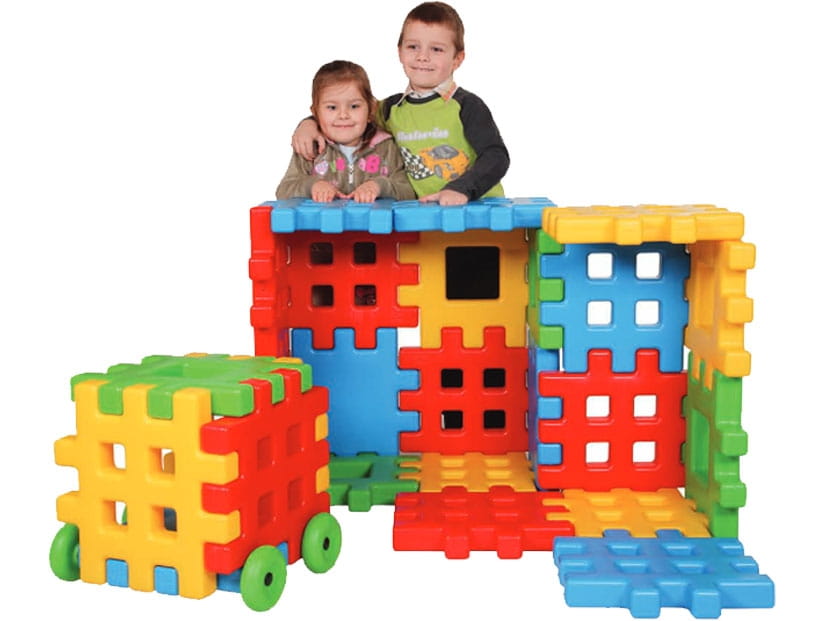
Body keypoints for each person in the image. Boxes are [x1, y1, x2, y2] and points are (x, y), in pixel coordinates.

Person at [291, 2, 509, 206]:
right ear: (400, 52)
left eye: (436, 49)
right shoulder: (389, 109)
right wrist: (309, 124)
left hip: (477, 208)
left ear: (457, 59)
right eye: (413, 46)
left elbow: (496, 156)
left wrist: (461, 189)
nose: (422, 56)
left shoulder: (467, 106)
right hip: (423, 214)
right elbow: (348, 112)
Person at [277, 60, 415, 203]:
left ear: (371, 109)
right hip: (323, 218)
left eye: (354, 106)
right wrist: (312, 186)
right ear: (316, 112)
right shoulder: (311, 146)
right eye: (332, 107)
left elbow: (408, 191)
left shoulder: (387, 147)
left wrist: (380, 186)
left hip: (374, 218)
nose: (343, 115)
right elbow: (284, 190)